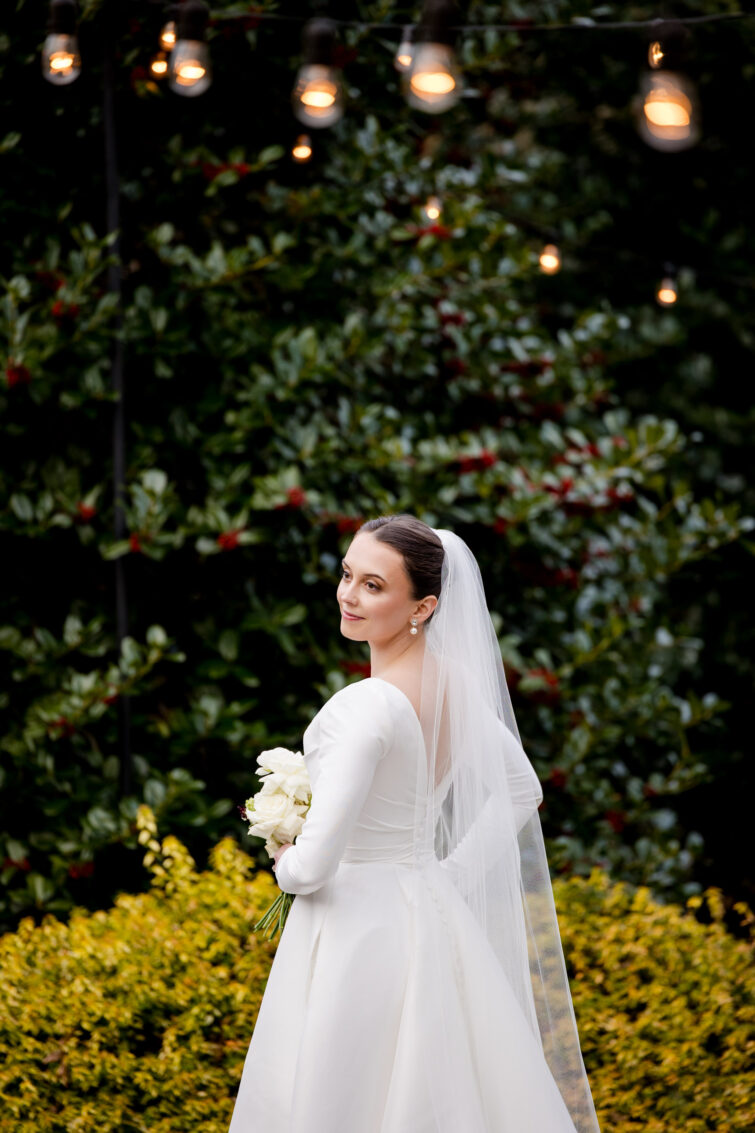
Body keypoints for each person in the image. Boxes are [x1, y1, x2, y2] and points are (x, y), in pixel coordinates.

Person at [228, 515, 600, 1133]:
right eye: (348, 575)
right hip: (427, 910)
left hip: (355, 930)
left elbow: (312, 869)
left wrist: (285, 850)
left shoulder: (365, 706)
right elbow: (522, 789)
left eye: (374, 586)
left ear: (421, 606)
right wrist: (444, 876)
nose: (349, 595)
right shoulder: (453, 682)